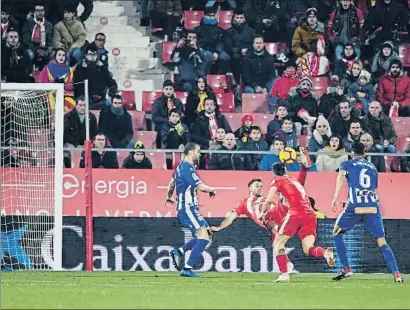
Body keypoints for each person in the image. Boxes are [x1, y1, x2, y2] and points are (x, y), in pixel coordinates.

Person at [330, 142, 403, 283]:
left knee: (337, 232)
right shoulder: (372, 167)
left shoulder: (347, 164)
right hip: (372, 207)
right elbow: (373, 187)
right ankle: (397, 274)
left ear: (351, 153)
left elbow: (340, 177)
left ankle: (346, 268)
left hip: (355, 206)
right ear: (364, 154)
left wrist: (335, 198)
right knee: (381, 241)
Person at [261, 161, 336, 283]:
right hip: (310, 215)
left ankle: (284, 274)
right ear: (285, 169)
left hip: (295, 214)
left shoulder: (277, 181)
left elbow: (268, 201)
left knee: (278, 243)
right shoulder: (294, 180)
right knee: (308, 249)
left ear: (274, 172)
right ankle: (325, 253)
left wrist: (262, 213)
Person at [165, 142, 216, 277]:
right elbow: (200, 186)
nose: (199, 154)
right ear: (191, 152)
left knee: (207, 233)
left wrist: (169, 197)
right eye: (198, 151)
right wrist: (211, 189)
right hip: (187, 208)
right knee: (203, 236)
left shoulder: (180, 167)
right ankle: (187, 268)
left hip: (188, 208)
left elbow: (171, 184)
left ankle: (179, 252)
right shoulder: (188, 167)